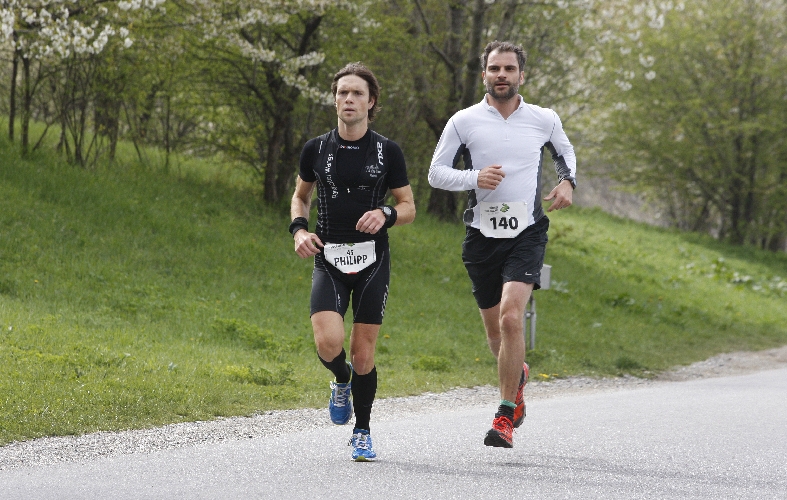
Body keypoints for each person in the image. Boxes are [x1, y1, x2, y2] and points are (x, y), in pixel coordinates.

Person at [428, 41, 576, 448]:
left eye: (509, 68)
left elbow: (566, 155)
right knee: (496, 337)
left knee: (513, 318)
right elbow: (435, 173)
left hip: (527, 232)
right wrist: (473, 178)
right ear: (484, 75)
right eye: (494, 68)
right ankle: (519, 375)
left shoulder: (544, 119)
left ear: (521, 75)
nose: (502, 75)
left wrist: (567, 182)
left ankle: (505, 414)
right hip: (481, 237)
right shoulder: (464, 121)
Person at [289, 62, 415, 461]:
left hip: (372, 260)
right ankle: (340, 380)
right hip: (328, 257)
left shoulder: (387, 151)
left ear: (370, 101)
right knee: (329, 345)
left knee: (363, 353)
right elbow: (301, 197)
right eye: (342, 92)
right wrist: (299, 231)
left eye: (357, 93)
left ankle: (362, 431)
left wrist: (387, 214)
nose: (348, 99)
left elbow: (408, 206)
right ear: (334, 99)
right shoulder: (316, 148)